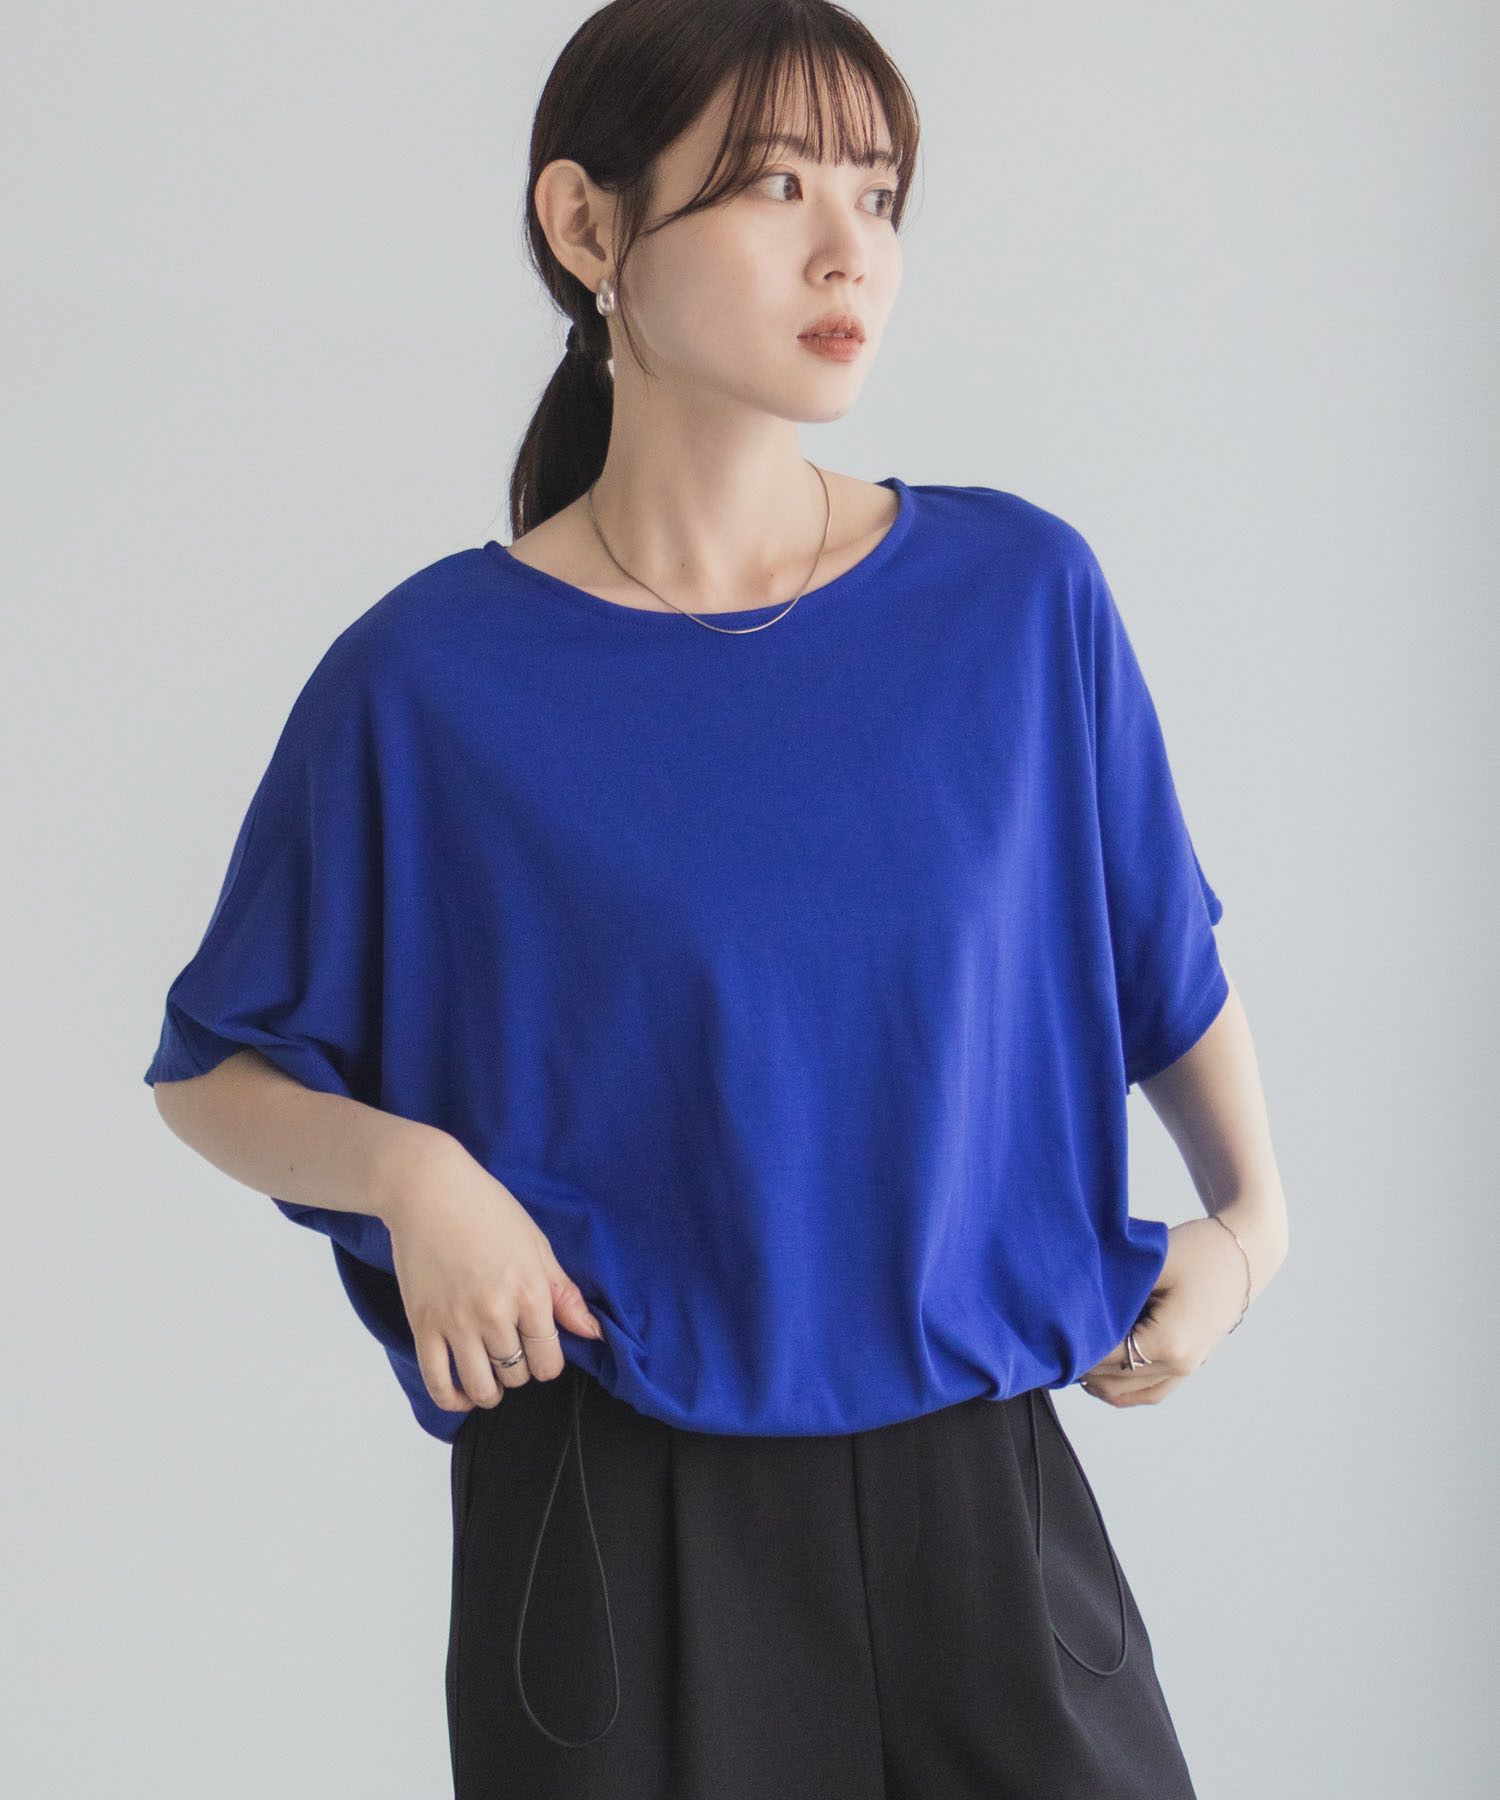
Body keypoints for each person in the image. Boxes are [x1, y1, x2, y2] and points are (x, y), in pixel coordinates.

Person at [143, 1, 1290, 1795]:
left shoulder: (1018, 603)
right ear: (585, 224)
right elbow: (214, 1066)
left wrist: (1250, 1234)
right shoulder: (429, 686)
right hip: (615, 1528)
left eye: (879, 193)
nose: (851, 249)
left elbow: (1160, 964)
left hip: (987, 1507)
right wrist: (414, 1176)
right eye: (774, 184)